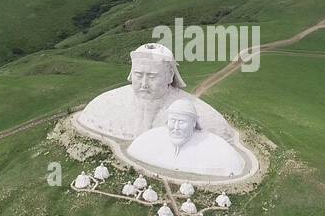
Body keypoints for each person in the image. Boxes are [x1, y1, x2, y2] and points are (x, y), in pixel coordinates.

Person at [76, 43, 234, 142]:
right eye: (138, 75)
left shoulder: (202, 116)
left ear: (170, 76)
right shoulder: (104, 105)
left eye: (152, 76)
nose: (144, 84)